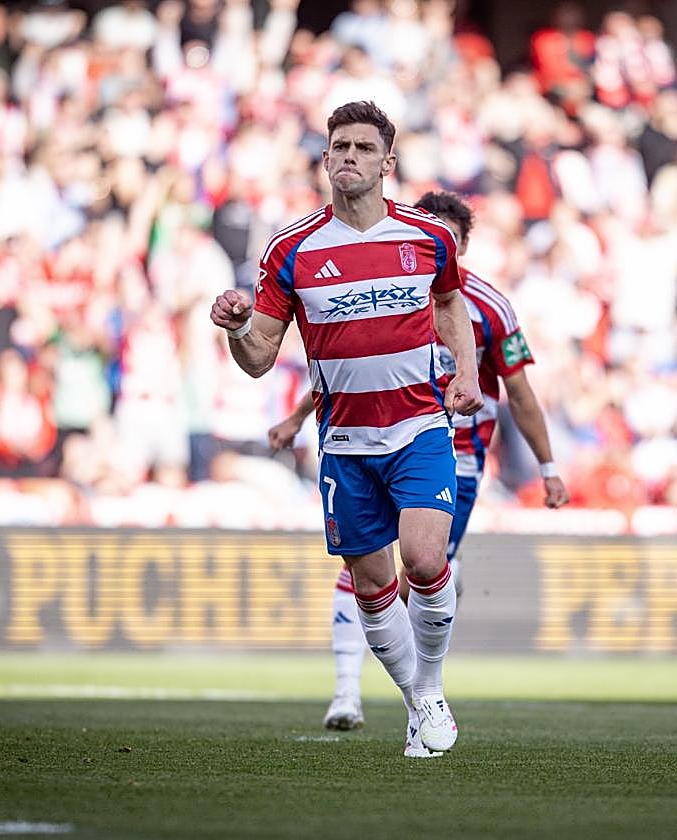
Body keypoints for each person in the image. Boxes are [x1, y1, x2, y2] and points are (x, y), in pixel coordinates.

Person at [210, 102, 482, 759]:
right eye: (340, 146)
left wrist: (466, 372)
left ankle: (434, 688)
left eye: (364, 147)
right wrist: (239, 327)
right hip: (344, 444)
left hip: (419, 426)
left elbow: (449, 304)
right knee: (369, 584)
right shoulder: (291, 249)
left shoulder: (427, 238)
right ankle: (418, 703)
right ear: (326, 159)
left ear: (387, 163)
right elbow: (259, 360)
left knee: (423, 559)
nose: (349, 157)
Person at [269, 190, 570, 734]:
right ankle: (356, 694)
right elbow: (349, 361)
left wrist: (547, 466)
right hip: (363, 439)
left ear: (460, 247)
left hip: (453, 451)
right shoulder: (383, 285)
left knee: (425, 568)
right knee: (365, 571)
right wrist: (295, 420)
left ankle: (422, 694)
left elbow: (521, 393)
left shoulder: (488, 307)